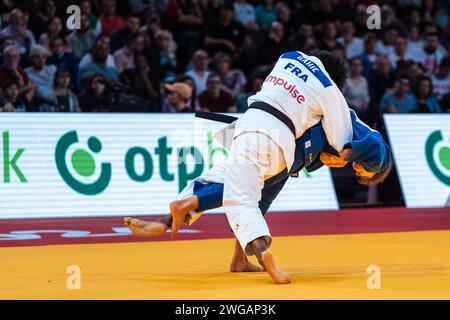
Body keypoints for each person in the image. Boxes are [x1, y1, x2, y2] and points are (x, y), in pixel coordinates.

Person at [124, 108, 393, 276]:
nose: (359, 171)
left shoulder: (342, 119)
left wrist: (331, 156)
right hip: (286, 143)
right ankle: (187, 205)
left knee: (251, 197)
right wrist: (347, 155)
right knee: (244, 189)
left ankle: (236, 260)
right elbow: (372, 146)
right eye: (363, 173)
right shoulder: (377, 150)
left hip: (278, 133)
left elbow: (325, 149)